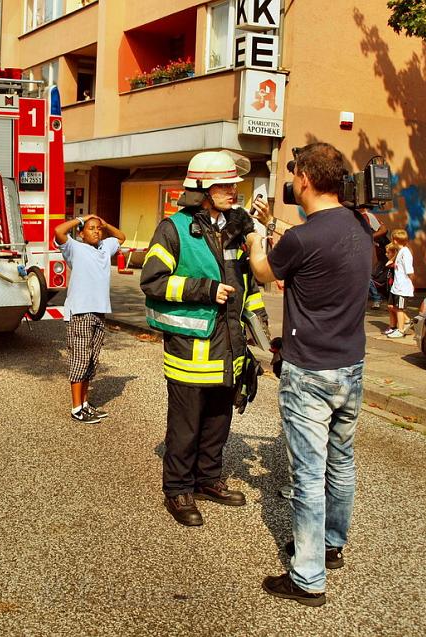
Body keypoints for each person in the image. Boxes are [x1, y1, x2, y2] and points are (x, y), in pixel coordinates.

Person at [246, 142, 371, 607]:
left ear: (303, 179)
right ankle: (333, 544)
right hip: (351, 365)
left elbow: (262, 272)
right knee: (341, 462)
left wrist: (259, 236)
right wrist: (279, 226)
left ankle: (308, 575)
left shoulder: (300, 239)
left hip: (310, 372)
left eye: (294, 172)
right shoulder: (360, 227)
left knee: (309, 474)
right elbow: (315, 243)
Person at [140, 150, 270, 527]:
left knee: (219, 418)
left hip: (229, 346)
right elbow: (152, 281)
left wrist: (259, 328)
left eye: (233, 184)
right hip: (190, 349)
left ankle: (208, 478)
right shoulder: (174, 229)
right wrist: (204, 289)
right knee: (186, 425)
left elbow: (246, 283)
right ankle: (178, 489)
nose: (233, 191)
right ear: (201, 189)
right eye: (224, 185)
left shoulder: (234, 229)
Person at [54, 214, 126, 424]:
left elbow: (121, 237)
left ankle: (85, 404)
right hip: (80, 311)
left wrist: (106, 223)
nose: (96, 231)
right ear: (81, 234)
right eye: (91, 228)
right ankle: (76, 408)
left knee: (91, 361)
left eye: (98, 229)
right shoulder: (75, 248)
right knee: (80, 360)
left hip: (99, 311)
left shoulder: (105, 247)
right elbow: (59, 231)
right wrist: (81, 218)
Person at [386, 229, 414, 338]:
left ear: (396, 240)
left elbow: (410, 272)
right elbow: (388, 263)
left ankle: (401, 330)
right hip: (396, 287)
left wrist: (411, 284)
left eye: (393, 239)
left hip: (402, 287)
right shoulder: (400, 252)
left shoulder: (406, 253)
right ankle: (402, 325)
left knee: (400, 309)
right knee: (394, 307)